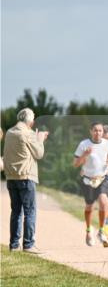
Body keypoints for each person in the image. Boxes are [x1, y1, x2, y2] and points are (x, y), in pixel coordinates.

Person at [2, 108, 49, 253]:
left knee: (16, 211)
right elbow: (39, 153)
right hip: (26, 177)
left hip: (11, 177)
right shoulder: (28, 133)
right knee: (30, 211)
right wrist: (40, 139)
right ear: (30, 121)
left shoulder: (10, 132)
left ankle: (14, 245)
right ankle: (28, 244)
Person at [73, 121, 108, 247]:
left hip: (103, 178)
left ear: (103, 132)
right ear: (91, 131)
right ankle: (89, 230)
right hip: (88, 179)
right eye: (95, 130)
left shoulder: (106, 143)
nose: (98, 133)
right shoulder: (83, 144)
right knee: (89, 207)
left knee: (104, 201)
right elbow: (75, 163)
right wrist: (84, 155)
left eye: (100, 130)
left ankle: (101, 231)